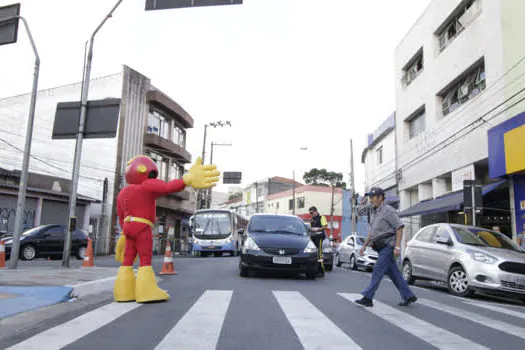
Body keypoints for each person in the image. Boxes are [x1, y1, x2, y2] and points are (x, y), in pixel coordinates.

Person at [113, 156, 219, 303]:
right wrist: (186, 180)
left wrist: (124, 233)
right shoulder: (147, 186)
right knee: (145, 258)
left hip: (128, 227)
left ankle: (123, 292)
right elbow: (167, 187)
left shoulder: (123, 192)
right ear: (145, 171)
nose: (152, 177)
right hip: (142, 227)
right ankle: (146, 292)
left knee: (127, 260)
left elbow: (120, 215)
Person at [354, 187, 417, 307]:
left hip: (388, 246)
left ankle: (368, 297)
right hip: (379, 247)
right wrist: (364, 246)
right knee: (394, 273)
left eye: (372, 197)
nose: (370, 200)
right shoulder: (373, 211)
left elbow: (399, 228)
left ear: (380, 198)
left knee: (377, 270)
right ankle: (408, 295)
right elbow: (371, 231)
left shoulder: (388, 210)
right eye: (369, 197)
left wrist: (397, 247)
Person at [309, 206, 328, 278]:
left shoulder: (321, 217)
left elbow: (325, 227)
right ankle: (315, 269)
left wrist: (317, 229)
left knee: (319, 254)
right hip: (313, 237)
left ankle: (321, 270)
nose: (311, 214)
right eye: (310, 213)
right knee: (313, 254)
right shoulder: (312, 219)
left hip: (319, 237)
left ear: (315, 211)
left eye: (312, 212)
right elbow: (310, 228)